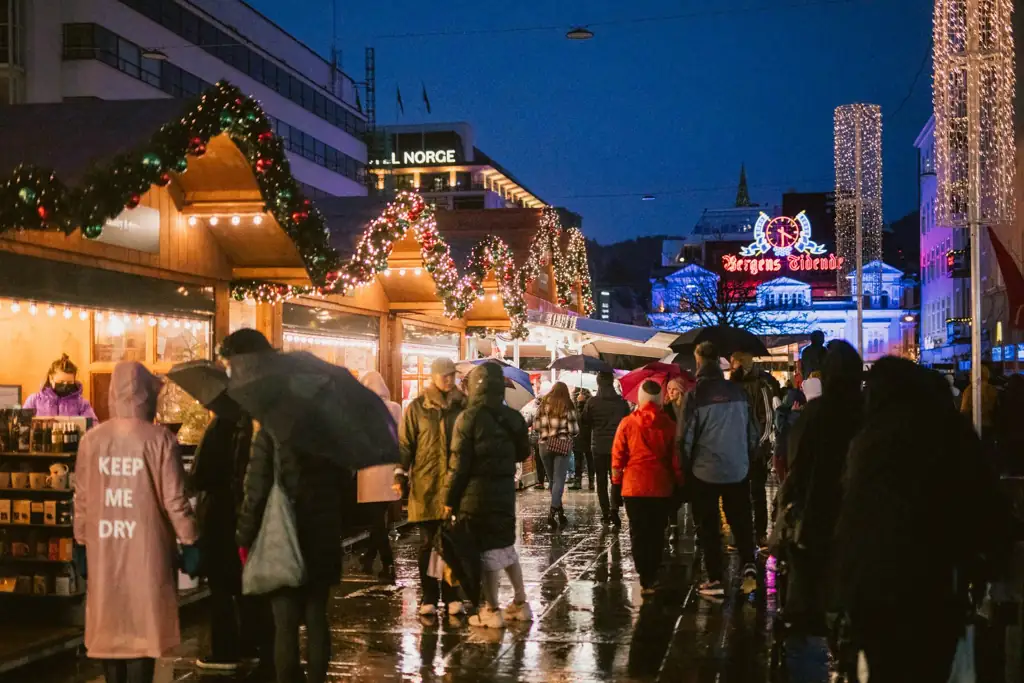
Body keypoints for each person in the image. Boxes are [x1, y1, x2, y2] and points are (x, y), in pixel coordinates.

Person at [837, 357, 1010, 681]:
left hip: (872, 589)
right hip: (934, 586)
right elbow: (984, 502)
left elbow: (853, 516)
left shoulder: (869, 439)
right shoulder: (949, 429)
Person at [74, 361, 197, 683]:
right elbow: (174, 500)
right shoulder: (160, 440)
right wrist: (190, 541)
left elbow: (83, 498)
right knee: (143, 628)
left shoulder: (92, 440)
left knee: (108, 626)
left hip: (103, 546)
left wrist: (81, 542)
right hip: (148, 548)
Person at [237, 423, 349, 683]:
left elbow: (255, 492)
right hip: (322, 536)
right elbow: (343, 484)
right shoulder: (329, 432)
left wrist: (244, 536)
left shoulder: (270, 432)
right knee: (316, 618)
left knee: (285, 626)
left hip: (283, 537)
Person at [191, 330, 273, 674]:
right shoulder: (258, 413)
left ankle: (225, 650)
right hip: (251, 514)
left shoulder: (223, 425)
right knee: (246, 586)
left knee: (222, 587)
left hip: (223, 515)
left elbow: (202, 474)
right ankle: (252, 645)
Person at [772, 340, 862, 639]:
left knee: (807, 591)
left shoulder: (816, 414)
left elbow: (798, 463)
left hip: (817, 511)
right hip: (855, 512)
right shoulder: (866, 411)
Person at [446, 362, 533, 628]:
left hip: (475, 495)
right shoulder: (514, 418)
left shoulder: (468, 418)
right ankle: (521, 602)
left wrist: (449, 500)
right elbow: (523, 453)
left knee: (487, 553)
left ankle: (492, 609)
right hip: (504, 491)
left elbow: (458, 465)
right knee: (506, 546)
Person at [679, 342, 758, 597]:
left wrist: (685, 467)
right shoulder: (737, 392)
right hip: (737, 468)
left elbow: (685, 437)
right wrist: (747, 457)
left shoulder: (695, 395)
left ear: (699, 361)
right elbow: (753, 432)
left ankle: (716, 578)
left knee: (709, 525)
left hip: (705, 471)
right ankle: (749, 563)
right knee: (741, 519)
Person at [394, 357, 467, 617]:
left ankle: (450, 595)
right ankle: (428, 593)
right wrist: (400, 475)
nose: (449, 379)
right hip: (425, 484)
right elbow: (406, 444)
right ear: (434, 377)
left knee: (450, 543)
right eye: (444, 375)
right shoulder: (417, 407)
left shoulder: (462, 405)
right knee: (428, 543)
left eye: (452, 375)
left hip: (453, 485)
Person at [612, 381, 682, 596]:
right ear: (661, 400)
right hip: (661, 487)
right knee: (657, 532)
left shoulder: (627, 423)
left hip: (633, 487)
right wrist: (680, 483)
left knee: (638, 532)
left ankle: (644, 576)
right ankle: (653, 573)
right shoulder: (670, 425)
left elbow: (617, 457)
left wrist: (616, 484)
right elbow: (676, 460)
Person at [730, 351, 780, 548]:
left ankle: (759, 533)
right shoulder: (733, 387)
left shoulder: (760, 385)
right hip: (740, 448)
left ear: (742, 364)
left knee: (756, 493)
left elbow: (767, 418)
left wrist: (758, 443)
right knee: (740, 494)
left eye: (733, 364)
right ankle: (743, 534)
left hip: (754, 449)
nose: (731, 368)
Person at [357, 371, 402, 584]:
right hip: (390, 472)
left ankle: (388, 562)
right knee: (379, 519)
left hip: (369, 473)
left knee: (376, 522)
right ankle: (369, 558)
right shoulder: (395, 408)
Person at [580, 371, 631, 528]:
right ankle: (615, 508)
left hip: (598, 447)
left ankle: (606, 512)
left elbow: (584, 422)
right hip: (617, 447)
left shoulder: (592, 402)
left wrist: (581, 404)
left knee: (600, 480)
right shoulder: (621, 402)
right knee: (615, 478)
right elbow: (628, 421)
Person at [533, 381, 580, 529]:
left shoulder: (543, 405)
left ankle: (560, 513)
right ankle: (552, 512)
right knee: (559, 480)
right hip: (562, 445)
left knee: (552, 481)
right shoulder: (568, 405)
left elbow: (536, 426)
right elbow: (574, 430)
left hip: (544, 445)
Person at [24, 353, 97, 419]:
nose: (65, 385)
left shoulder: (82, 403)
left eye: (69, 382)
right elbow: (23, 426)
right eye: (61, 382)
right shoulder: (34, 400)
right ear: (51, 379)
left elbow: (93, 427)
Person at [521, 377, 547, 489]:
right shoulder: (550, 411)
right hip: (547, 439)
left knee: (539, 461)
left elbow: (526, 424)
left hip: (537, 440)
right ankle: (550, 480)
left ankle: (540, 481)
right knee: (547, 461)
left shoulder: (533, 411)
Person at [960, 363, 998, 431]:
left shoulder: (969, 390)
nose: (969, 376)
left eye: (971, 374)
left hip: (975, 426)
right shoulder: (993, 389)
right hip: (991, 426)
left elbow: (964, 411)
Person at [570, 388, 594, 490]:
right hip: (583, 436)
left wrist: (580, 404)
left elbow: (581, 418)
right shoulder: (575, 402)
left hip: (584, 435)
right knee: (585, 459)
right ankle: (586, 481)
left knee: (584, 459)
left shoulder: (585, 403)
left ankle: (584, 481)